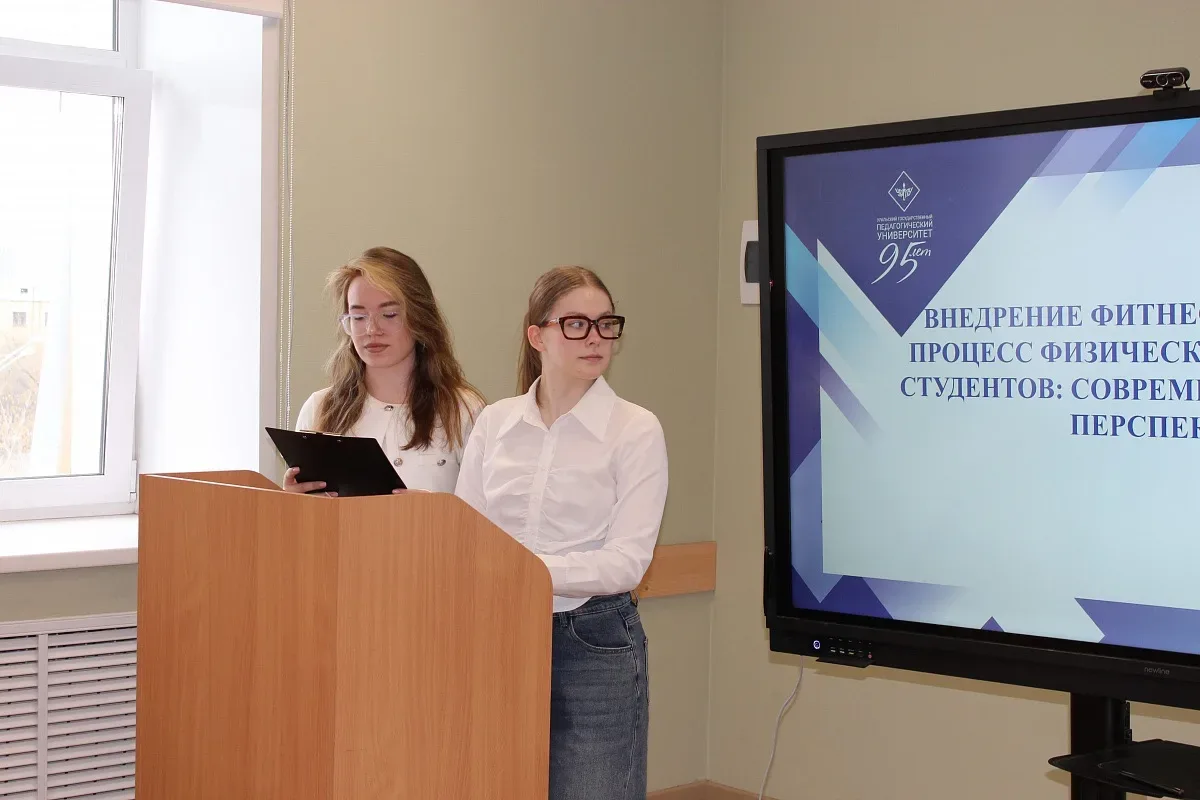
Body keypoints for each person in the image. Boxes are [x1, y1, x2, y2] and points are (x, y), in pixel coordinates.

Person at [454, 266, 668, 800]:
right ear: (537, 336)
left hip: (593, 639)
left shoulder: (636, 428)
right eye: (575, 324)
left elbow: (627, 562)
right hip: (498, 631)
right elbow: (466, 536)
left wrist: (525, 571)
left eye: (606, 324)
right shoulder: (495, 422)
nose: (595, 337)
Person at [286, 246, 484, 494]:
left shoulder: (463, 410)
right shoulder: (319, 408)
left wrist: (433, 510)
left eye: (389, 315)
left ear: (420, 317)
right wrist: (294, 504)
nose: (372, 330)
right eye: (359, 317)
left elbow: (482, 513)